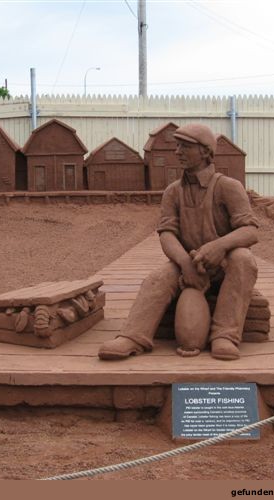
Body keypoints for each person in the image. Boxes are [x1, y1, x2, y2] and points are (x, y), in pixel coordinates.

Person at [98, 123, 259, 361]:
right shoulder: (173, 192)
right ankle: (133, 336)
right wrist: (185, 263)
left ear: (205, 151)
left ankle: (224, 335)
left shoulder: (229, 187)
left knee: (244, 259)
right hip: (189, 263)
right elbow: (166, 233)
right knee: (158, 278)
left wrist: (219, 246)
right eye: (177, 146)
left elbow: (250, 231)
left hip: (224, 265)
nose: (178, 152)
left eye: (185, 146)